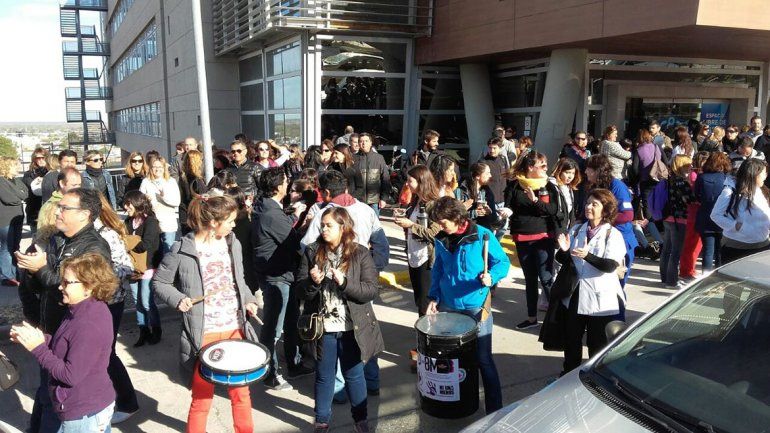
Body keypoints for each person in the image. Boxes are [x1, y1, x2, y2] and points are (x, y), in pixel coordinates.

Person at [153, 193, 263, 433]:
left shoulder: (233, 242)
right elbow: (160, 282)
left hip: (235, 328)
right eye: (231, 220)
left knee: (241, 393)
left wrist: (249, 300)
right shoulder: (182, 249)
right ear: (214, 222)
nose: (234, 224)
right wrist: (178, 299)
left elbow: (239, 282)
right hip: (203, 333)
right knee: (202, 398)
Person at [15, 187, 112, 433]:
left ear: (84, 214)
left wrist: (41, 269)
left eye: (65, 208)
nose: (57, 211)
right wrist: (31, 270)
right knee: (46, 393)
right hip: (53, 330)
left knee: (58, 397)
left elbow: (74, 288)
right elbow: (47, 286)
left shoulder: (94, 248)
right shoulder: (59, 239)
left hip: (69, 336)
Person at [296, 206, 384, 433]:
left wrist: (345, 282)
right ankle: (322, 420)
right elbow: (301, 290)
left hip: (351, 326)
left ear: (343, 227)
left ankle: (361, 420)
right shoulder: (312, 251)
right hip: (323, 327)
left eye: (329, 225)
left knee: (354, 375)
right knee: (324, 377)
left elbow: (371, 290)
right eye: (322, 225)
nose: (324, 229)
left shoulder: (360, 253)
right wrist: (313, 283)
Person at [11, 253, 118, 432]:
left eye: (67, 282)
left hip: (84, 414)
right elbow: (67, 343)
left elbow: (70, 375)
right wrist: (38, 338)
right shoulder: (79, 308)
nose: (60, 286)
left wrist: (38, 349)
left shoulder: (88, 323)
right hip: (87, 408)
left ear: (89, 286)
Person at [426, 196, 510, 414]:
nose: (440, 226)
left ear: (457, 217)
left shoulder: (482, 235)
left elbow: (502, 262)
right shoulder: (441, 238)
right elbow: (438, 270)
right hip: (448, 305)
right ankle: (459, 404)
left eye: (443, 222)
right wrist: (433, 297)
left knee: (483, 359)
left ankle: (495, 409)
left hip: (476, 306)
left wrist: (491, 276)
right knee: (452, 360)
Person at [555, 189, 627, 374]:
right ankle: (568, 373)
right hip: (575, 294)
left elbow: (610, 266)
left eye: (595, 204)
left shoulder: (613, 235)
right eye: (588, 203)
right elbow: (565, 260)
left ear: (605, 209)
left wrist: (588, 256)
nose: (589, 207)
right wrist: (563, 251)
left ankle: (594, 376)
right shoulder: (577, 229)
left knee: (596, 344)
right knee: (572, 340)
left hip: (600, 299)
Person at [252, 167, 310, 390]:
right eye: (285, 181)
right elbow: (293, 241)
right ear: (278, 187)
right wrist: (302, 221)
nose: (288, 184)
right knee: (273, 329)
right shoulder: (272, 214)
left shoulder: (268, 207)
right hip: (277, 276)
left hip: (281, 274)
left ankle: (294, 364)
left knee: (291, 320)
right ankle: (270, 373)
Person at [94, 192, 140, 424]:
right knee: (98, 355)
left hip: (110, 301)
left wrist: (96, 278)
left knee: (106, 354)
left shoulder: (106, 234)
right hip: (94, 303)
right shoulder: (83, 233)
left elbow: (126, 267)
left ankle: (128, 401)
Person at [507, 152, 564, 329]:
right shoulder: (515, 185)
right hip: (521, 237)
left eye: (546, 165)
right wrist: (506, 211)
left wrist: (535, 201)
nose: (546, 169)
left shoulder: (549, 186)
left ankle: (559, 319)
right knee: (529, 279)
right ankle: (532, 318)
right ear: (530, 167)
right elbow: (509, 205)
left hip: (543, 237)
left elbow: (553, 210)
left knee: (546, 277)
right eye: (542, 165)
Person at [393, 165, 441, 317]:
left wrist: (411, 225)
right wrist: (404, 220)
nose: (407, 184)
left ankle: (428, 335)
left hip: (426, 259)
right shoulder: (416, 201)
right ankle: (423, 334)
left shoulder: (433, 204)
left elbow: (435, 233)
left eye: (410, 181)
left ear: (421, 182)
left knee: (425, 302)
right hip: (413, 254)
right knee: (419, 299)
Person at [584, 155, 638, 289]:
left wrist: (601, 220)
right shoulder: (594, 186)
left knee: (616, 285)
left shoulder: (617, 186)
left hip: (620, 239)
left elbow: (627, 214)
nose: (585, 172)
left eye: (588, 169)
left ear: (598, 171)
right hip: (600, 238)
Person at [710, 158, 770, 264]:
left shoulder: (760, 190)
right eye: (764, 173)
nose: (766, 176)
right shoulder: (730, 191)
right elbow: (715, 215)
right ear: (754, 174)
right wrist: (736, 225)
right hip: (736, 246)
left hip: (762, 245)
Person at [123, 190, 163, 347]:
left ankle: (156, 329)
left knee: (146, 301)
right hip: (131, 268)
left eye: (128, 204)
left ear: (137, 203)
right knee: (136, 301)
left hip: (147, 267)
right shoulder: (128, 221)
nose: (126, 208)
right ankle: (143, 331)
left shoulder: (151, 222)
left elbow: (144, 246)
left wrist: (128, 240)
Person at [658, 155, 694, 288]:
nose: (691, 167)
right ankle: (672, 281)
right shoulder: (682, 182)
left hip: (667, 217)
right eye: (688, 164)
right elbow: (691, 199)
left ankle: (664, 278)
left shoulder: (667, 180)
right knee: (676, 252)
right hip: (679, 219)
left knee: (666, 250)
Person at [694, 152, 732, 271]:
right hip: (723, 217)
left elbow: (696, 196)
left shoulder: (701, 177)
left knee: (708, 252)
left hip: (705, 216)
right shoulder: (727, 179)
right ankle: (720, 278)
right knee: (720, 251)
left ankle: (706, 279)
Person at [678, 151, 709, 284]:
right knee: (691, 243)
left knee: (695, 243)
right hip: (694, 211)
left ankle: (689, 268)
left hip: (695, 211)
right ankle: (686, 270)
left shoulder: (696, 174)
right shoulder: (695, 175)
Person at [140, 156, 181, 253]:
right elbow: (140, 201)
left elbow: (177, 202)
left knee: (168, 249)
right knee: (155, 250)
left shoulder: (171, 181)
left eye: (160, 167)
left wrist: (163, 196)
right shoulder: (146, 182)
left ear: (164, 168)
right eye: (154, 167)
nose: (157, 169)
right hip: (152, 221)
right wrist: (146, 200)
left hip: (168, 221)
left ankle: (168, 268)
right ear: (150, 168)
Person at [34, 168, 82, 249]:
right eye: (74, 185)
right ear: (62, 183)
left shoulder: (72, 201)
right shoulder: (53, 205)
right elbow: (48, 235)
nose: (78, 189)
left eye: (79, 184)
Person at [0, 157, 28, 286]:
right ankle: (6, 276)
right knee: (6, 247)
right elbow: (8, 198)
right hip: (6, 219)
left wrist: (19, 195)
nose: (17, 168)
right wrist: (19, 195)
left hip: (18, 216)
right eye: (14, 165)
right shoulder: (1, 181)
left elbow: (25, 194)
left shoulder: (17, 180)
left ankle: (14, 273)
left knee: (15, 247)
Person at [480, 137, 511, 239]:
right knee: (491, 228)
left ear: (500, 148)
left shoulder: (503, 160)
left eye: (494, 148)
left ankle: (496, 245)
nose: (491, 150)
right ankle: (489, 248)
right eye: (490, 148)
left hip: (502, 199)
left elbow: (507, 177)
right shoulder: (484, 162)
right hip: (490, 200)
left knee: (503, 227)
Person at [356, 133, 390, 215]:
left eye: (366, 141)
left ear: (371, 143)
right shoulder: (354, 158)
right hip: (357, 201)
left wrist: (384, 198)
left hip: (374, 201)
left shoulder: (379, 158)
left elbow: (385, 178)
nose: (364, 143)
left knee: (374, 225)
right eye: (361, 141)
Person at [461, 162, 500, 231]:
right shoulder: (462, 191)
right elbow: (456, 216)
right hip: (467, 232)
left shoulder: (487, 191)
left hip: (483, 231)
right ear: (477, 176)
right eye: (487, 173)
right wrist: (474, 213)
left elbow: (493, 219)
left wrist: (489, 212)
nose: (490, 175)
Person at [179, 149, 208, 235]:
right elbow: (195, 197)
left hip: (185, 215)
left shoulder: (183, 178)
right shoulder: (195, 179)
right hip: (194, 216)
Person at [549, 157, 581, 233]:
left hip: (566, 229)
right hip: (554, 230)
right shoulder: (551, 186)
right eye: (567, 172)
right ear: (559, 171)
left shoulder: (569, 188)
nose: (570, 176)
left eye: (573, 173)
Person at [23, 148, 49, 230]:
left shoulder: (52, 172)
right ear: (34, 159)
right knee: (36, 237)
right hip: (34, 209)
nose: (41, 160)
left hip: (49, 210)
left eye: (43, 157)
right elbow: (27, 190)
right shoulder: (28, 174)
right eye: (38, 158)